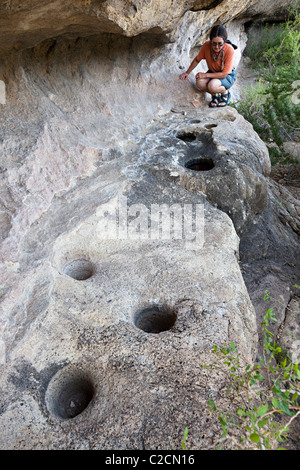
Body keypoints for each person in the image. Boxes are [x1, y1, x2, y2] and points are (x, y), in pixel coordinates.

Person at [179, 24, 237, 108]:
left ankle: (225, 93)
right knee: (199, 82)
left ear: (224, 41)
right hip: (213, 73)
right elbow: (197, 60)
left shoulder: (229, 49)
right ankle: (214, 96)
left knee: (212, 85)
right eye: (214, 44)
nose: (217, 47)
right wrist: (187, 73)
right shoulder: (206, 46)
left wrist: (205, 75)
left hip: (227, 76)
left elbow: (224, 74)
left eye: (220, 44)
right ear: (210, 41)